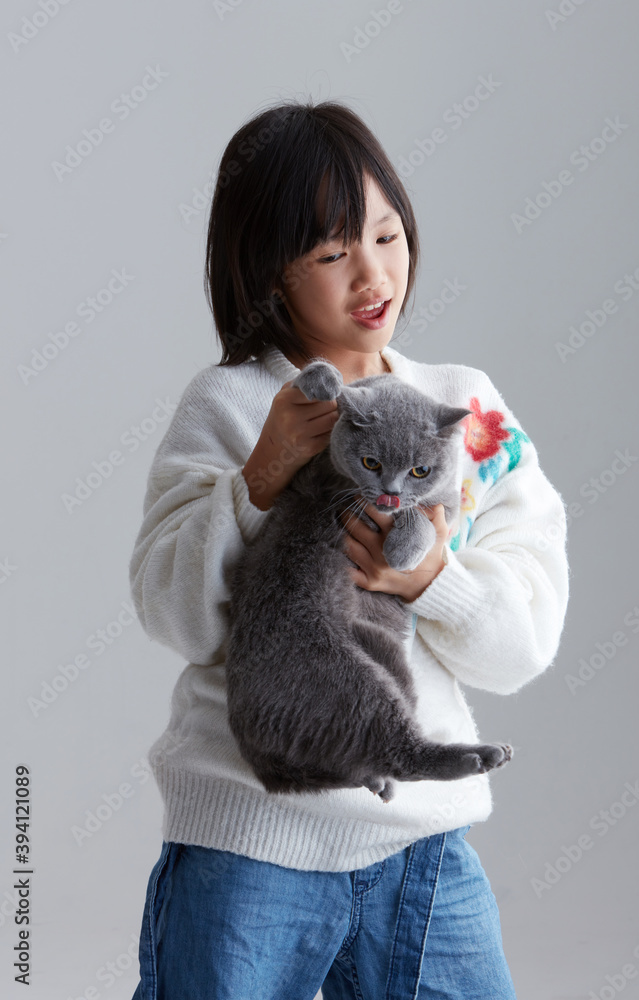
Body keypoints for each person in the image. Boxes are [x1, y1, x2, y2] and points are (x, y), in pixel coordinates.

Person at [128, 98, 570, 1000]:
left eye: (386, 235)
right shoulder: (230, 406)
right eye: (331, 253)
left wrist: (430, 580)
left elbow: (521, 643)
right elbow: (172, 613)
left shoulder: (466, 413)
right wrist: (258, 478)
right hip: (249, 838)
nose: (372, 272)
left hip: (423, 845)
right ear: (268, 272)